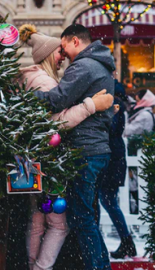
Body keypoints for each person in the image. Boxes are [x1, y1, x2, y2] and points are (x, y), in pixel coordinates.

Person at [17, 24, 114, 270]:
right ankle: (99, 265)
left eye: (63, 48)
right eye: (58, 52)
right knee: (81, 218)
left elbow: (57, 100)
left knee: (80, 219)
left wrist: (21, 97)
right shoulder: (99, 64)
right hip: (92, 148)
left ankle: (97, 267)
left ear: (73, 41)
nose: (63, 56)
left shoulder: (83, 65)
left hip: (85, 149)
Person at [97, 81, 137, 259]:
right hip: (114, 155)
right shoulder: (117, 103)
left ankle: (127, 242)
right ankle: (127, 242)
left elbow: (111, 129)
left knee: (107, 201)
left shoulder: (115, 105)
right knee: (108, 200)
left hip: (112, 157)